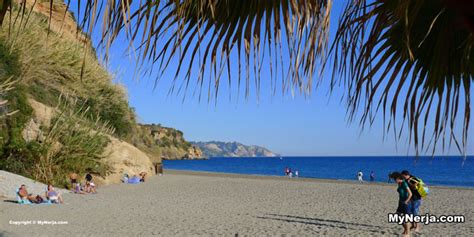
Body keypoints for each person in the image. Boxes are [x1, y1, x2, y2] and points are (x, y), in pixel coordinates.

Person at [393, 172, 412, 237]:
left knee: (406, 219)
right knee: (397, 217)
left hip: (406, 203)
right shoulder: (399, 183)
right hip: (400, 202)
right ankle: (406, 230)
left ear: (398, 178)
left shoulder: (404, 184)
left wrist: (406, 201)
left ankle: (408, 233)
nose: (394, 180)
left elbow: (410, 194)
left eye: (395, 179)